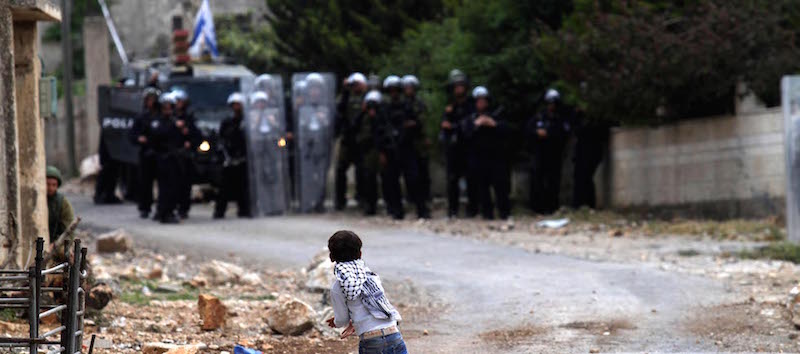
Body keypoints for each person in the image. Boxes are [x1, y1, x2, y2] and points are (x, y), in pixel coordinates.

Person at [325, 230, 406, 354]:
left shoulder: (338, 288)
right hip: (393, 334)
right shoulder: (372, 277)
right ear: (360, 253)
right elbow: (376, 305)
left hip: (371, 341)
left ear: (331, 257)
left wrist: (337, 322)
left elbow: (342, 319)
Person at [381, 75, 429, 219]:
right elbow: (380, 129)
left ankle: (422, 210)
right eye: (391, 90)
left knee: (414, 179)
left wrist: (411, 125)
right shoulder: (385, 108)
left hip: (407, 148)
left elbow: (419, 124)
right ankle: (397, 211)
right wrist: (383, 149)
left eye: (396, 90)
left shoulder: (408, 106)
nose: (394, 93)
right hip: (391, 149)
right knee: (392, 182)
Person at [462, 86, 511, 220]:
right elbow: (465, 134)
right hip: (478, 158)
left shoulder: (496, 115)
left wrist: (493, 124)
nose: (481, 104)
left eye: (483, 101)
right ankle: (486, 214)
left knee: (500, 186)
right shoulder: (470, 117)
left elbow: (507, 130)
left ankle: (504, 213)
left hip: (496, 157)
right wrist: (476, 124)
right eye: (478, 101)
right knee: (482, 188)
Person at [526, 88, 571, 214]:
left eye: (554, 103)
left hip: (554, 154)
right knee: (537, 181)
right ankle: (536, 208)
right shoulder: (539, 117)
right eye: (549, 103)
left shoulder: (561, 118)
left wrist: (549, 134)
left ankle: (552, 208)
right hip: (539, 154)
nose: (551, 106)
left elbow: (564, 134)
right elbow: (528, 131)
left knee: (553, 182)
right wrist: (537, 133)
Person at [440, 69, 478, 218]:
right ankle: (452, 211)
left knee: (472, 178)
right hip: (453, 147)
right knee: (452, 179)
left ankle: (473, 210)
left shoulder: (471, 105)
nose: (458, 89)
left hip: (468, 146)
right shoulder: (450, 107)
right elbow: (445, 126)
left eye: (461, 85)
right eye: (456, 86)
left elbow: (470, 125)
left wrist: (455, 126)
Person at [334, 72, 368, 211]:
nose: (355, 87)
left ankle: (362, 198)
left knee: (362, 171)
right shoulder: (346, 97)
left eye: (357, 84)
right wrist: (345, 89)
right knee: (341, 169)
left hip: (362, 140)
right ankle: (340, 200)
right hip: (347, 139)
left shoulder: (368, 97)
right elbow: (340, 108)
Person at [214, 92, 251, 218]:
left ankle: (244, 209)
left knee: (243, 186)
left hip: (243, 157)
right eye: (234, 105)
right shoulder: (227, 122)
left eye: (238, 105)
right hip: (229, 158)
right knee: (224, 187)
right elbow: (221, 138)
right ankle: (219, 211)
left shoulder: (247, 121)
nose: (236, 107)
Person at [150, 93, 185, 224]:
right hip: (162, 159)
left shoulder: (175, 121)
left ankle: (169, 211)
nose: (168, 110)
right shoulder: (157, 122)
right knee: (165, 188)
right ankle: (165, 213)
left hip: (174, 159)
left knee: (174, 187)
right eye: (165, 108)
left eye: (170, 108)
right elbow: (158, 135)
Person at [129, 87, 161, 219]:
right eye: (149, 99)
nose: (151, 102)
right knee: (145, 183)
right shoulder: (141, 117)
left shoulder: (162, 116)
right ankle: (145, 208)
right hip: (146, 153)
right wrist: (139, 139)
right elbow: (132, 135)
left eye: (153, 99)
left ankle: (162, 208)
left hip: (160, 153)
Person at [572, 109, 610, 209]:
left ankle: (587, 204)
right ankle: (579, 204)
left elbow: (602, 134)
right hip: (581, 153)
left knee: (586, 178)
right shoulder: (579, 117)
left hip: (592, 153)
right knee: (579, 178)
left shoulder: (597, 119)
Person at [172, 89, 201, 219]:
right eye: (176, 101)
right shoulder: (168, 117)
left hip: (185, 156)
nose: (178, 104)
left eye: (180, 102)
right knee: (172, 184)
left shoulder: (189, 118)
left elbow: (197, 136)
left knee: (185, 184)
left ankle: (183, 208)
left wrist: (189, 139)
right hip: (171, 155)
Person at [402, 74, 432, 203]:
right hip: (406, 141)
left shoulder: (420, 103)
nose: (409, 90)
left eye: (411, 87)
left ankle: (425, 196)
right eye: (406, 87)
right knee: (410, 173)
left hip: (419, 140)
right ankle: (411, 197)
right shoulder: (401, 104)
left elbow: (425, 121)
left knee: (423, 170)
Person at [356, 90, 385, 216]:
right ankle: (368, 205)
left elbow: (381, 133)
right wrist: (363, 112)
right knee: (367, 179)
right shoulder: (363, 116)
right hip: (365, 151)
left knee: (381, 178)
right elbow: (354, 126)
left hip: (378, 150)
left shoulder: (382, 115)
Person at [46, 166, 75, 243]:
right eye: (47, 184)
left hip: (56, 242)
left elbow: (69, 229)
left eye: (54, 185)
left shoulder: (62, 202)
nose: (50, 188)